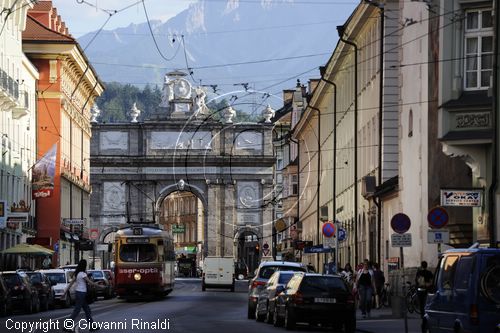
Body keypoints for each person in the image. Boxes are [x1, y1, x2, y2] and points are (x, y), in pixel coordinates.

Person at [63, 259, 101, 332]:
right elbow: (90, 282)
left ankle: (92, 326)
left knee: (87, 310)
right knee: (77, 311)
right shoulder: (83, 274)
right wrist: (99, 286)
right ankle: (67, 326)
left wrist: (64, 293)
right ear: (84, 265)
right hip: (81, 293)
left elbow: (70, 284)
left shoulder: (77, 274)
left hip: (78, 293)